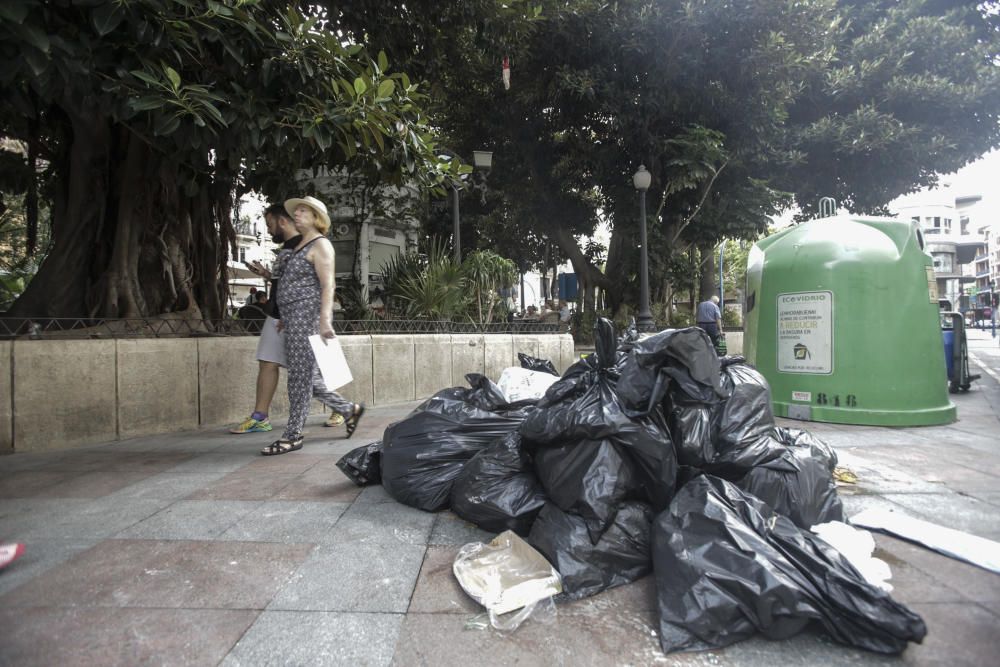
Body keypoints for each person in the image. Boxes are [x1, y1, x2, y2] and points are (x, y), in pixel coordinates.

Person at [261, 195, 364, 455]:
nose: (297, 214)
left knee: (299, 378)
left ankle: (293, 435)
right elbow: (291, 283)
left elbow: (328, 284)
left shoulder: (321, 245)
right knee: (308, 377)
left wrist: (325, 319)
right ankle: (349, 410)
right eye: (296, 211)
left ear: (316, 218)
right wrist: (284, 313)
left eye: (303, 211)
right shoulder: (298, 246)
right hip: (293, 319)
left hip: (308, 319)